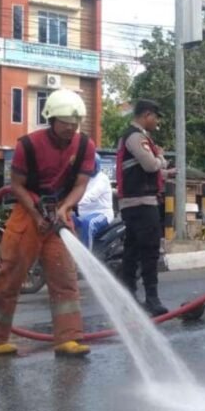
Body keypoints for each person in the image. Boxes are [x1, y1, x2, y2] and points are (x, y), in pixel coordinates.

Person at [0, 89, 98, 357]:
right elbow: (17, 185)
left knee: (64, 276)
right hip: (28, 213)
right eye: (65, 123)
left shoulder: (84, 146)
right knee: (10, 276)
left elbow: (81, 184)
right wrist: (36, 215)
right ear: (51, 119)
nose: (71, 129)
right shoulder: (29, 145)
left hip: (60, 211)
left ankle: (68, 339)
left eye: (75, 124)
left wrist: (65, 209)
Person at [115, 99, 168, 315]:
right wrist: (162, 159)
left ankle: (128, 294)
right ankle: (152, 299)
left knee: (133, 250)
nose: (156, 122)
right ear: (146, 115)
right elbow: (150, 164)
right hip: (142, 203)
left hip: (132, 202)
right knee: (149, 250)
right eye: (155, 118)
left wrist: (160, 171)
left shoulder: (130, 136)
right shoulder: (136, 137)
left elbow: (140, 170)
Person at [75, 165, 114, 248]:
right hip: (83, 213)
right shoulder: (81, 177)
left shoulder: (102, 179)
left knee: (89, 223)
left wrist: (74, 202)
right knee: (65, 218)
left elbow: (92, 196)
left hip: (101, 213)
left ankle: (84, 256)